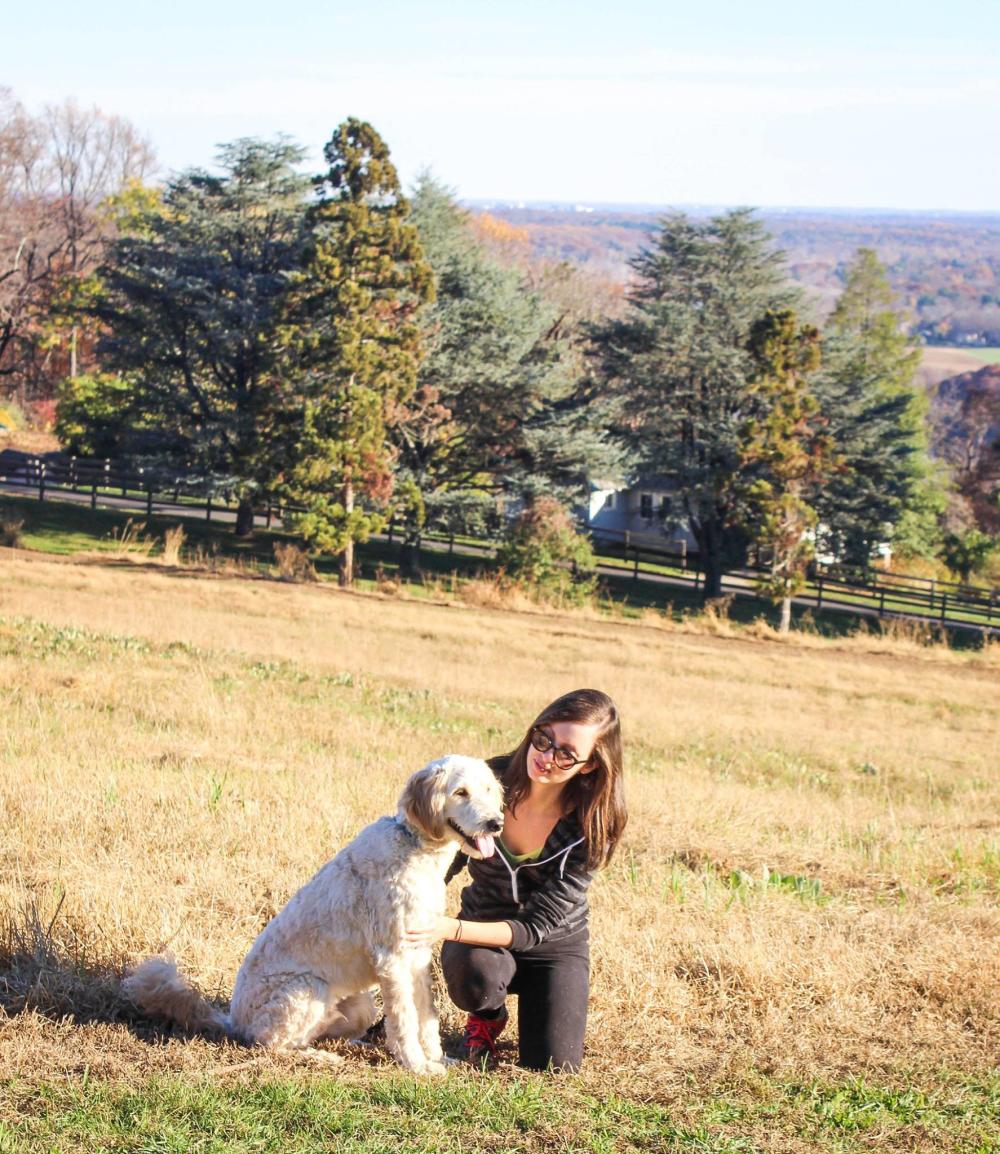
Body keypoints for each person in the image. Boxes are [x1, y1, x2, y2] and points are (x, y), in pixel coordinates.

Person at [405, 688, 627, 1072]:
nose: (546, 757)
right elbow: (438, 855)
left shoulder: (594, 822)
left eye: (567, 754)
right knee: (475, 977)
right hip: (481, 932)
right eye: (544, 739)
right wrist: (408, 904)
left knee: (555, 1068)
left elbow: (536, 927)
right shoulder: (486, 780)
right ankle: (488, 1014)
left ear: (590, 765)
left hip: (554, 947)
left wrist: (444, 928)